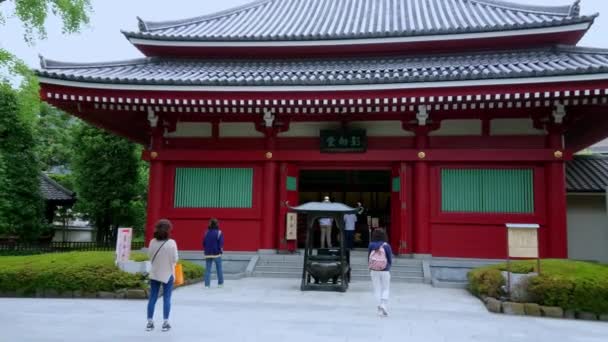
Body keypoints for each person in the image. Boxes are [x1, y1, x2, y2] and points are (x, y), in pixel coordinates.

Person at [146, 219, 178, 332]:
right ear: (169, 230)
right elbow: (175, 259)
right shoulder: (171, 243)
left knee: (152, 298)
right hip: (168, 273)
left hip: (155, 273)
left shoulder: (152, 242)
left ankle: (149, 323)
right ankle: (165, 323)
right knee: (167, 298)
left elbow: (149, 256)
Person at [368, 229, 392, 317]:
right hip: (385, 270)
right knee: (386, 288)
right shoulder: (386, 246)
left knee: (377, 289)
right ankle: (383, 305)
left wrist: (370, 267)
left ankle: (379, 308)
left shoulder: (371, 245)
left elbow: (369, 257)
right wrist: (388, 266)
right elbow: (389, 258)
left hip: (374, 270)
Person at [203, 218, 224, 288]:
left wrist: (206, 250)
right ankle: (220, 284)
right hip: (217, 253)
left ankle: (207, 285)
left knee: (208, 270)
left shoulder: (206, 232)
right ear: (217, 224)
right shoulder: (219, 232)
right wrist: (221, 251)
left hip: (208, 253)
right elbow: (221, 243)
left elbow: (203, 243)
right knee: (219, 269)